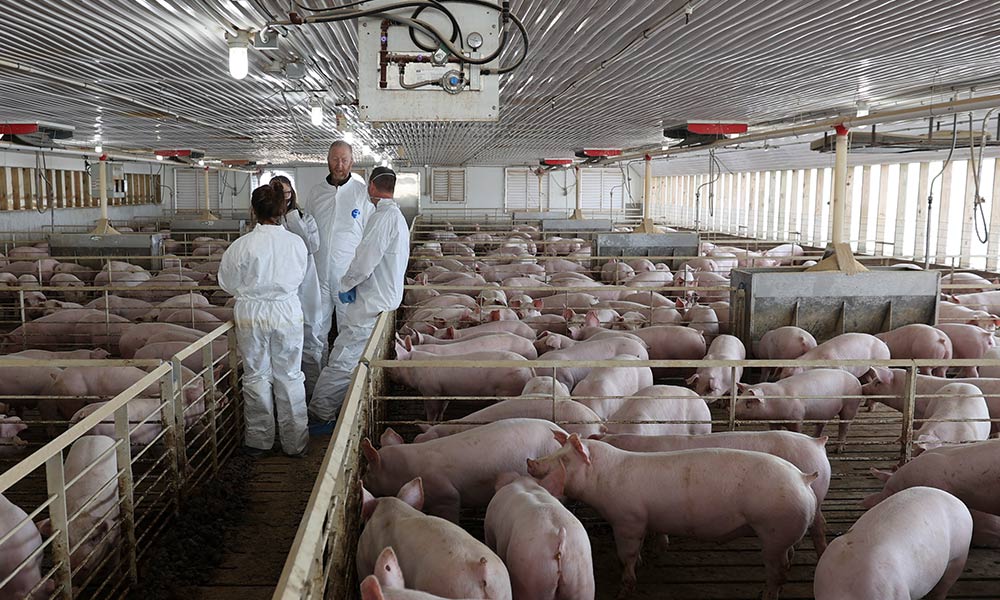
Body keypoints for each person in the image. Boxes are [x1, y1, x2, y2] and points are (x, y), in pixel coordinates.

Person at [310, 167, 409, 431]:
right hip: (380, 300)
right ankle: (325, 410)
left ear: (373, 188)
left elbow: (364, 261)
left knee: (343, 358)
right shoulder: (395, 217)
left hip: (370, 303)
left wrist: (346, 283)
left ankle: (320, 412)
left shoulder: (382, 218)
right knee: (349, 356)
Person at [218, 181, 309, 457]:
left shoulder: (241, 246)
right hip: (286, 311)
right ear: (282, 209)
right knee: (290, 375)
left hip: (252, 313)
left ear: (253, 211)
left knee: (256, 375)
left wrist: (252, 291)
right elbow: (301, 276)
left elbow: (227, 283)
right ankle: (296, 443)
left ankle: (259, 442)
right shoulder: (296, 243)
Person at [299, 141, 372, 397]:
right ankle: (314, 392)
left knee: (348, 334)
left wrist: (361, 276)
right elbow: (307, 231)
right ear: (327, 161)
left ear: (352, 162)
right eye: (334, 159)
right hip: (318, 277)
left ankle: (345, 395)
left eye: (344, 160)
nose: (339, 165)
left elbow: (368, 238)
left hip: (347, 280)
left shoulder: (362, 194)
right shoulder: (316, 193)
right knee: (315, 334)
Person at [271, 175, 323, 400]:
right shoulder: (268, 224)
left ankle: (313, 396)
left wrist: (293, 219)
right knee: (283, 347)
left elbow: (312, 246)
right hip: (280, 291)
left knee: (311, 339)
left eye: (288, 193)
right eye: (280, 194)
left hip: (306, 285)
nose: (285, 198)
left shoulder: (305, 218)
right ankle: (287, 399)